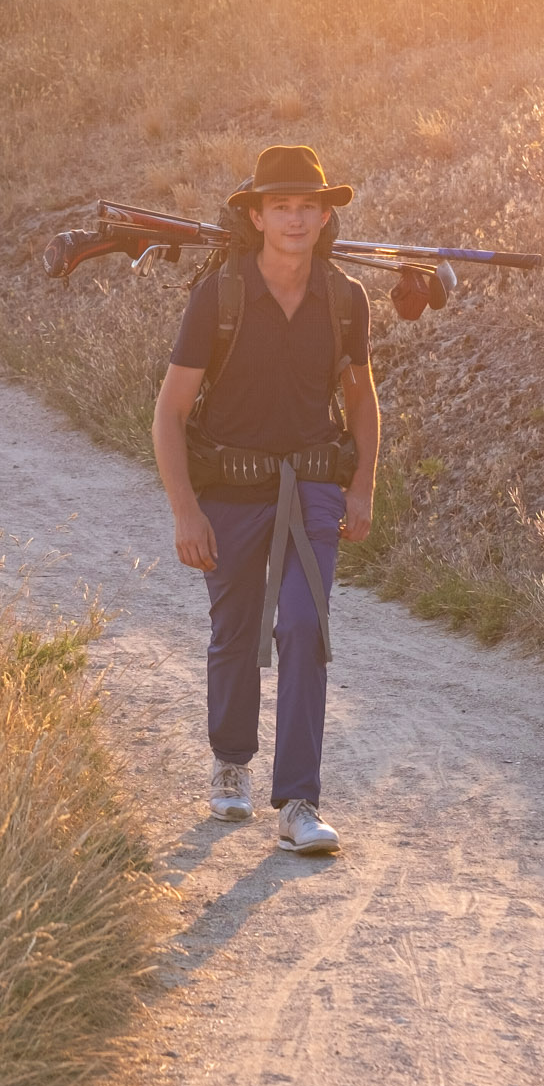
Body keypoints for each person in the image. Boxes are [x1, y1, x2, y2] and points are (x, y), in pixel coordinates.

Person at [151, 145, 378, 856]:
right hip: (229, 489)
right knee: (237, 631)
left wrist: (364, 485)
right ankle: (229, 758)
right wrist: (186, 507)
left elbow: (362, 400)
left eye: (308, 205)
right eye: (280, 205)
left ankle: (298, 801)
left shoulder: (344, 298)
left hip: (312, 487)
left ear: (325, 214)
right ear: (254, 213)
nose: (295, 217)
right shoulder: (218, 296)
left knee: (305, 628)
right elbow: (170, 411)